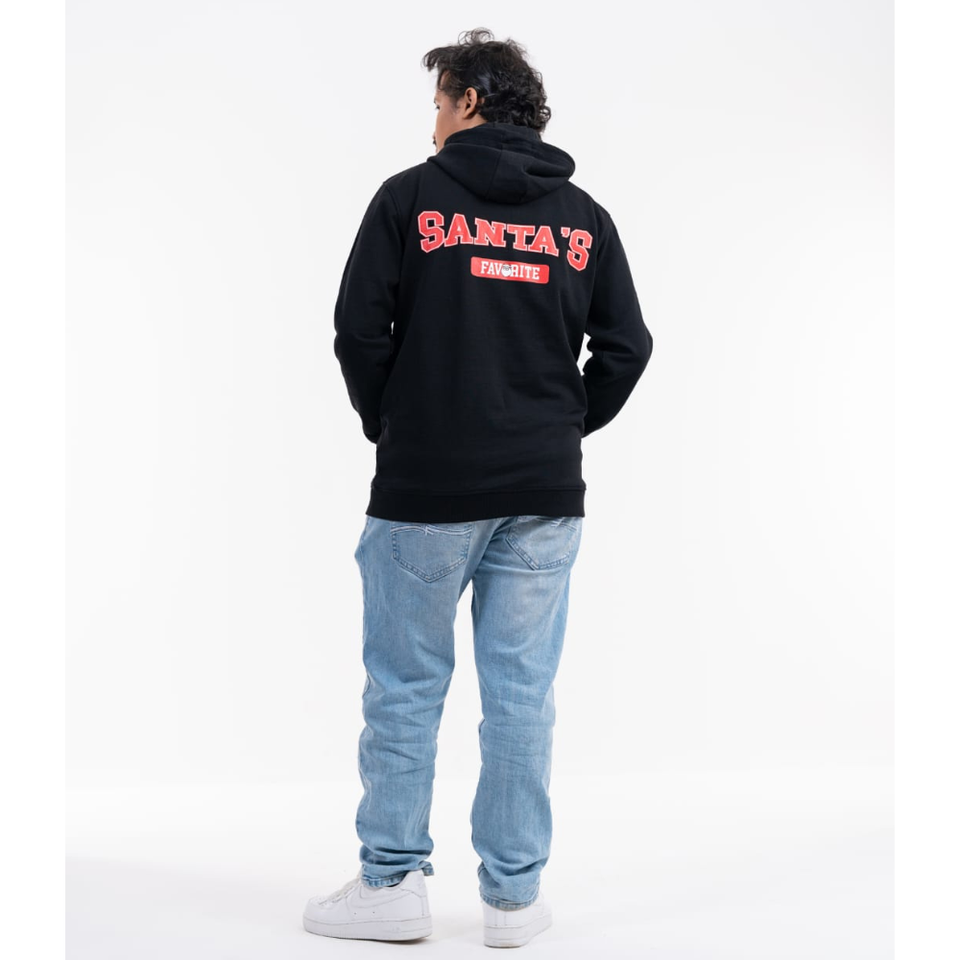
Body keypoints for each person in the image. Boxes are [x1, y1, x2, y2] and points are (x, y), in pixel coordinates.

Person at [302, 27, 653, 948]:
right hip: (543, 493)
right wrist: (556, 428)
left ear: (466, 100)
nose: (431, 124)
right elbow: (627, 347)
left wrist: (395, 423)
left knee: (406, 689)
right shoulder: (583, 218)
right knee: (522, 695)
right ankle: (513, 901)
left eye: (437, 102)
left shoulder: (409, 198)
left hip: (427, 487)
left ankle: (391, 884)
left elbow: (357, 330)